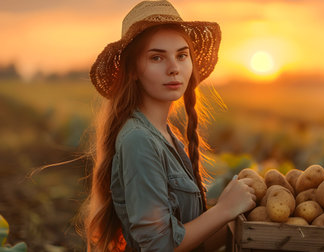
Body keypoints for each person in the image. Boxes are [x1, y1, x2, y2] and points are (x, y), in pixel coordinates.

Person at [84, 0, 256, 251]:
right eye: (157, 57)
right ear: (132, 69)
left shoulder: (166, 135)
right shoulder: (139, 140)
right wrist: (225, 209)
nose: (174, 68)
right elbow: (160, 245)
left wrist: (246, 213)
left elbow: (194, 240)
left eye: (182, 55)